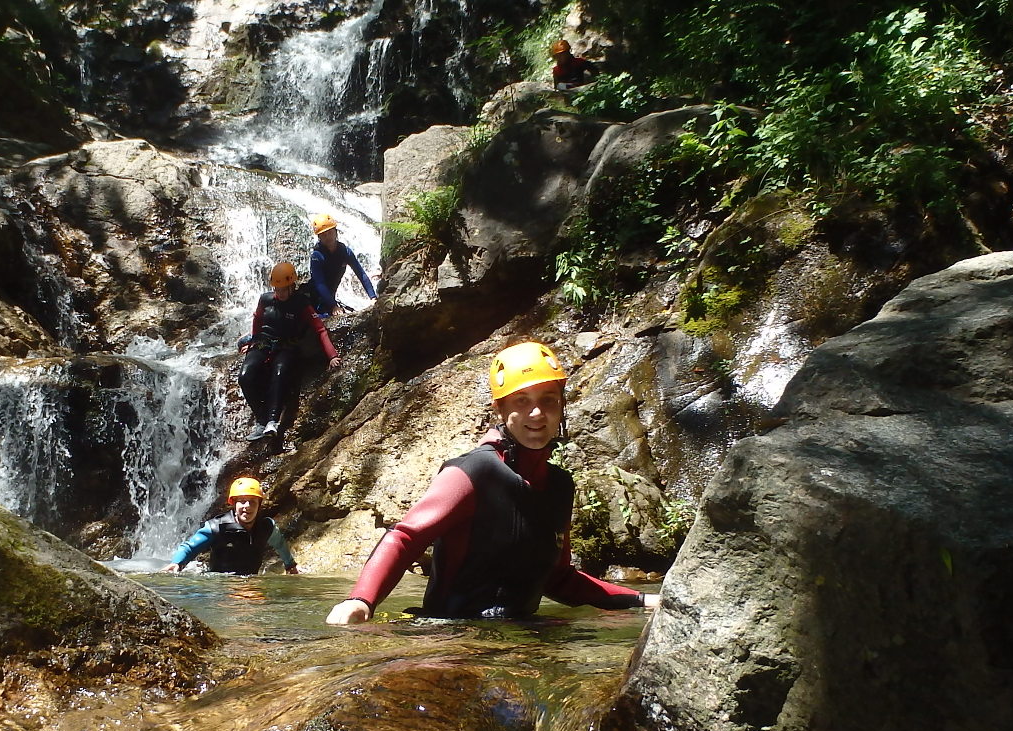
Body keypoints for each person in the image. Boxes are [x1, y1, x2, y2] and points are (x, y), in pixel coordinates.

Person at [325, 341, 656, 623]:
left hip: (521, 639)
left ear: (562, 406)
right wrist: (361, 600)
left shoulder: (560, 486)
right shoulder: (473, 472)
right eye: (521, 401)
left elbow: (559, 579)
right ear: (500, 409)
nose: (537, 413)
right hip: (453, 638)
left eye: (548, 399)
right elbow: (405, 538)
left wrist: (640, 601)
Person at [239, 261, 338, 439]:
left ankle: (272, 421)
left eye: (284, 289)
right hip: (264, 343)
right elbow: (257, 319)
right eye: (277, 289)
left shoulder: (301, 303)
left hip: (287, 345)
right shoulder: (265, 299)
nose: (280, 293)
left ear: (292, 286)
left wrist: (332, 356)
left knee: (279, 373)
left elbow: (320, 329)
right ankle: (261, 421)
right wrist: (253, 341)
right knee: (245, 376)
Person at [166, 477, 300, 574]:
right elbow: (189, 548)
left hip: (250, 587)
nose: (247, 506)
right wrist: (176, 563)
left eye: (252, 502)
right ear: (234, 503)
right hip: (220, 589)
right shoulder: (217, 527)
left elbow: (280, 545)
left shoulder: (267, 527)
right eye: (242, 501)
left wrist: (290, 565)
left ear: (259, 505)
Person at [306, 213, 377, 318]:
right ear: (319, 237)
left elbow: (361, 274)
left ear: (336, 232)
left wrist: (373, 297)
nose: (328, 237)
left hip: (330, 299)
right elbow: (320, 284)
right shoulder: (317, 256)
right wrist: (333, 305)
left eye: (330, 232)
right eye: (323, 235)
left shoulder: (345, 252)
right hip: (315, 300)